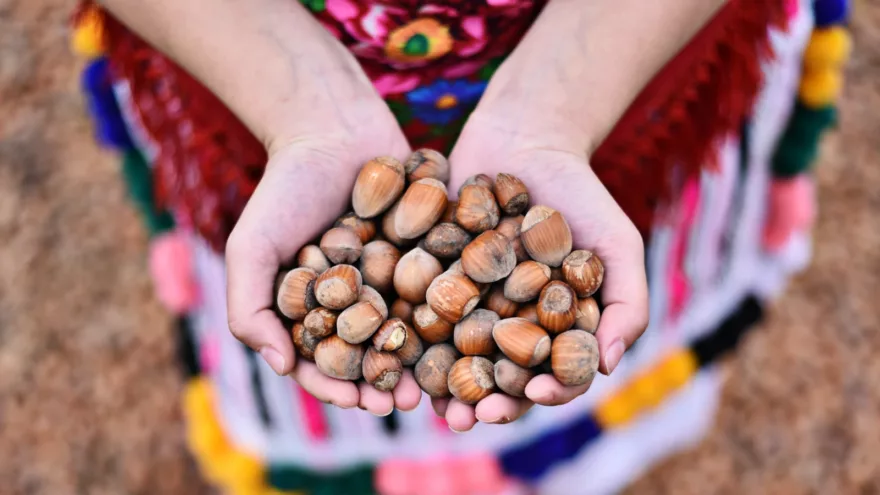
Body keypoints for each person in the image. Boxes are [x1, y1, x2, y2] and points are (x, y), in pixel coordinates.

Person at [71, 0, 849, 493]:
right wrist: (296, 100)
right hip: (239, 82)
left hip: (641, 64)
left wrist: (568, 100)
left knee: (627, 296)